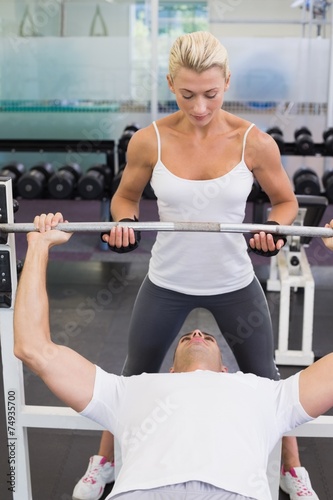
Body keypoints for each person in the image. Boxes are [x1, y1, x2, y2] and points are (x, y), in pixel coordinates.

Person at [74, 31, 316, 500]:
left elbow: (285, 202)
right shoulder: (149, 141)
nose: (200, 106)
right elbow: (125, 196)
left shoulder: (254, 143)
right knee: (135, 375)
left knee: (266, 377)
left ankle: (292, 469)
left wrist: (273, 228)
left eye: (211, 93)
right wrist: (124, 221)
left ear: (227, 81)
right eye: (187, 94)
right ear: (171, 83)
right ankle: (104, 461)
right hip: (168, 281)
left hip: (233, 282)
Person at [13, 214, 333, 500]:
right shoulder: (131, 390)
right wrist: (39, 246)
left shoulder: (267, 393)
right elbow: (33, 348)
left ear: (225, 370)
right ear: (169, 371)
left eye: (206, 336)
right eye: (192, 336)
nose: (196, 333)